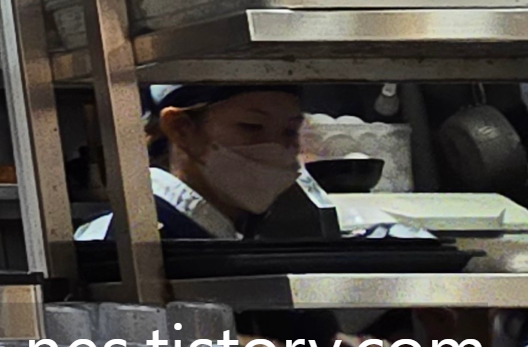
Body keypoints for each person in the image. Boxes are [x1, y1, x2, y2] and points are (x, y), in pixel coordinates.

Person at [74, 83, 341, 242]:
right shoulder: (124, 237)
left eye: (289, 131)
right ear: (181, 129)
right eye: (251, 126)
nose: (277, 148)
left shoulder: (238, 229)